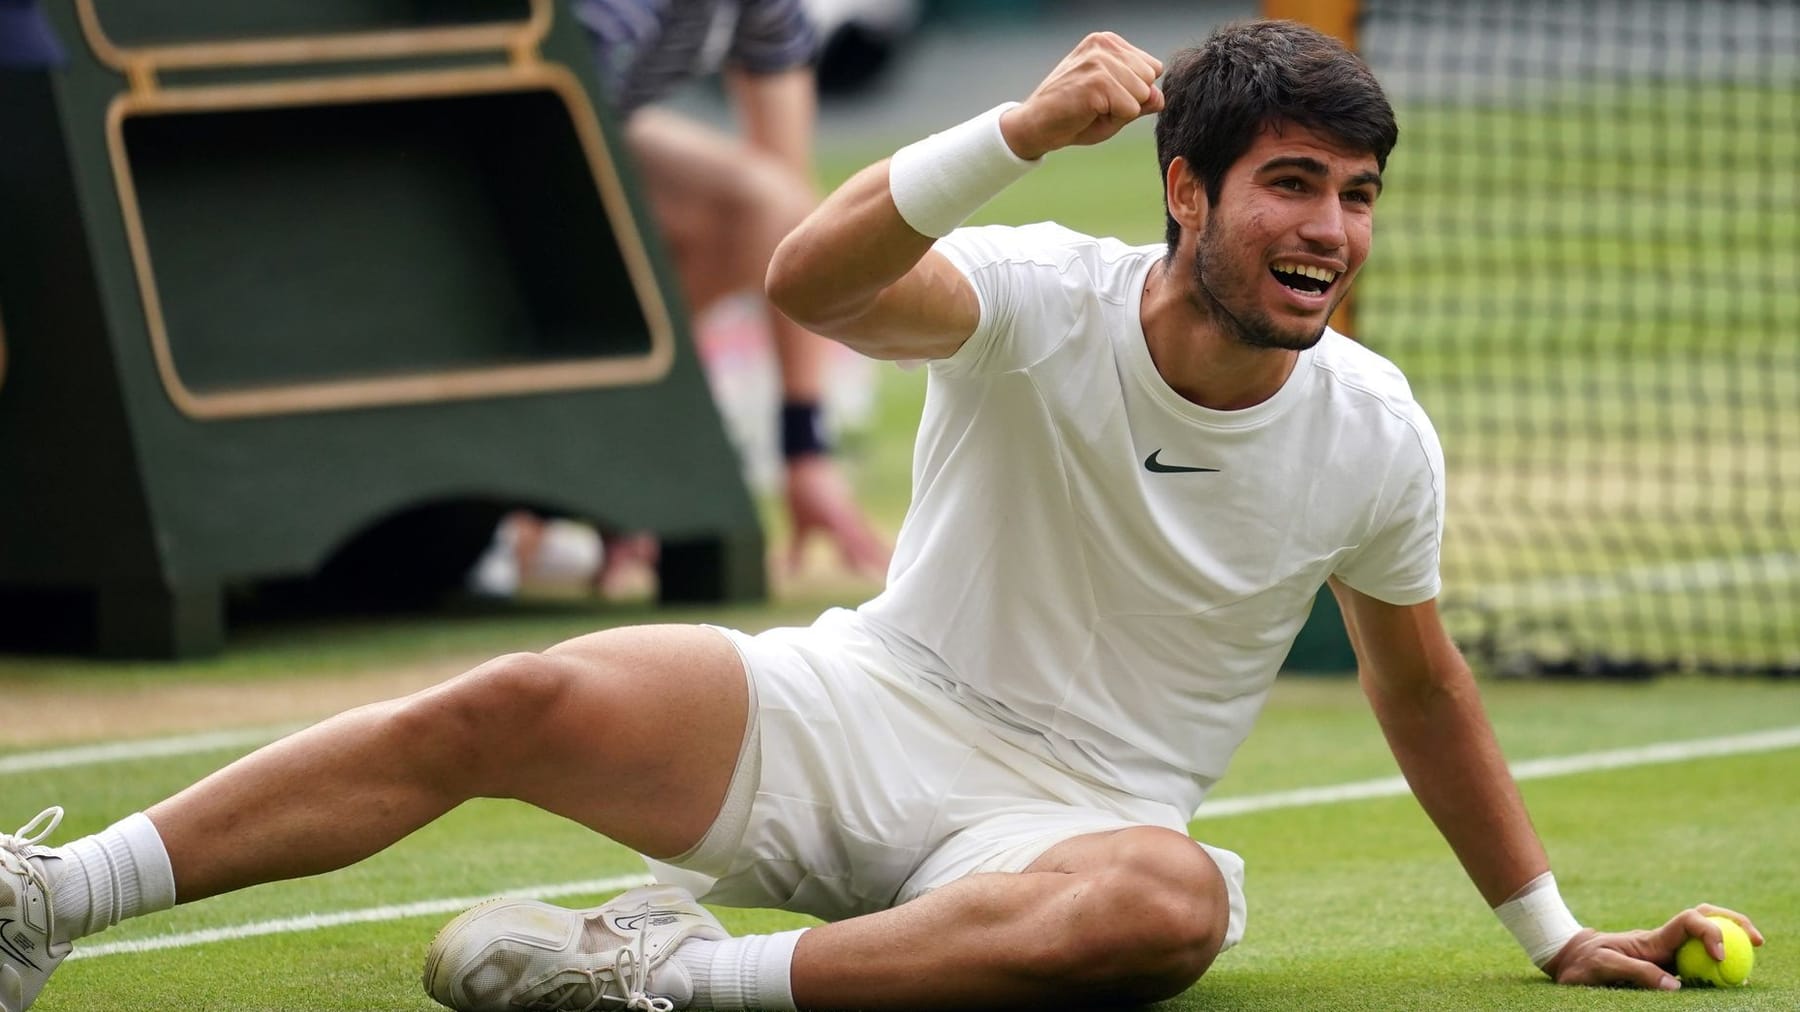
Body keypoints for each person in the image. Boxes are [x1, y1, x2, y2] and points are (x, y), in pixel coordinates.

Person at [0, 21, 1764, 1012]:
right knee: (512, 701)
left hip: (1064, 830)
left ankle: (667, 979)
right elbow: (810, 276)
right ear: (1184, 192)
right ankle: (47, 900)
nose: (1331, 231)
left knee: (1159, 913)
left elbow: (1419, 684)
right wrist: (1009, 126)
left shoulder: (1378, 430)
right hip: (859, 709)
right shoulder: (1039, 294)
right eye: (1292, 184)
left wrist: (1549, 929)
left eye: (1357, 196)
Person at [476, 0, 889, 598]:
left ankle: (579, 467)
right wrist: (607, 465)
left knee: (766, 205)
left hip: (583, 130)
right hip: (465, 157)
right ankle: (516, 493)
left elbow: (801, 231)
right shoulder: (615, 13)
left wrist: (805, 450)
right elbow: (531, 163)